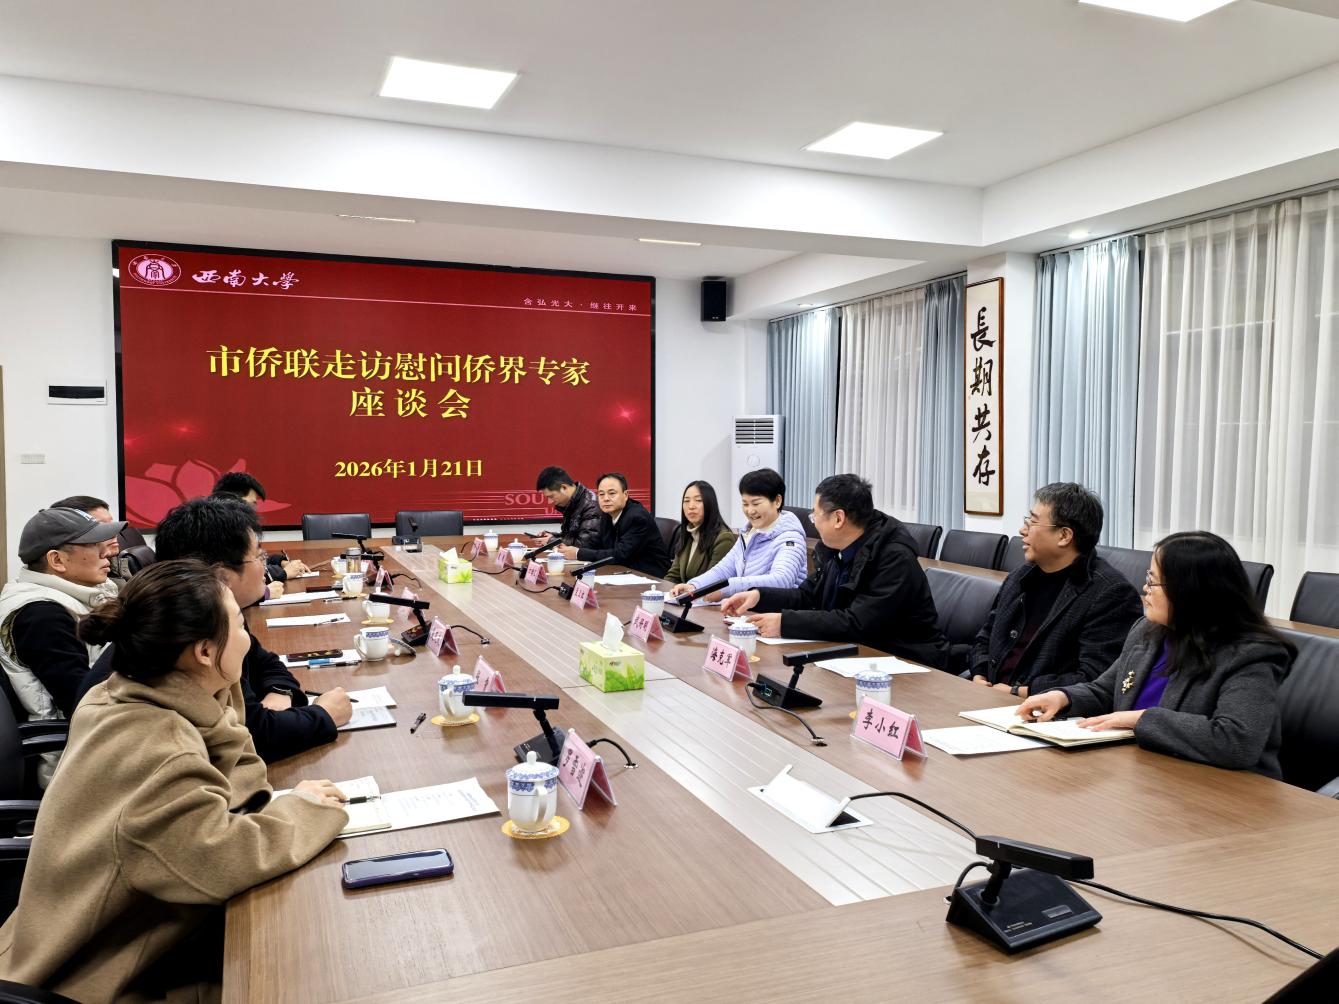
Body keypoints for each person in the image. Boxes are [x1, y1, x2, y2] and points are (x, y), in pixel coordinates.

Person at [0, 559, 349, 1002]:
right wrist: (304, 809)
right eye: (239, 625)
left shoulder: (139, 691)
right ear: (203, 652)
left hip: (133, 930)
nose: (247, 638)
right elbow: (223, 859)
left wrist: (223, 689)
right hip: (103, 975)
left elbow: (240, 787)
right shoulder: (157, 746)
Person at [81, 496, 352, 759]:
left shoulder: (210, 616)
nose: (265, 568)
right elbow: (253, 738)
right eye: (259, 557)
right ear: (221, 576)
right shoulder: (186, 642)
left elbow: (266, 663)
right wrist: (324, 715)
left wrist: (280, 692)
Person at [1017, 531, 1295, 777]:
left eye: (1154, 581)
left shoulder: (1250, 654)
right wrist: (1063, 698)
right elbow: (1107, 691)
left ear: (1190, 592)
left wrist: (1141, 719)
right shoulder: (1148, 631)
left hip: (1223, 791)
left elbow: (1236, 741)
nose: (1145, 589)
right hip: (1147, 772)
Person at [721, 474, 948, 668]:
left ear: (838, 518)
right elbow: (807, 596)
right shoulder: (838, 549)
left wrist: (784, 623)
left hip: (907, 661)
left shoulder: (893, 558)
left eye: (815, 515)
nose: (813, 523)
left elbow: (857, 623)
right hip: (856, 654)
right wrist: (758, 596)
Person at [966, 483, 1143, 698]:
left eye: (1032, 522)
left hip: (1044, 709)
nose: (1023, 530)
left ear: (1064, 535)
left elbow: (1096, 678)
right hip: (987, 695)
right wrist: (979, 674)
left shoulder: (1111, 594)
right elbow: (985, 637)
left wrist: (1020, 692)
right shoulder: (1021, 576)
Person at [0, 508, 123, 726]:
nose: (107, 552)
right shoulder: (42, 616)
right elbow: (82, 701)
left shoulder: (73, 596)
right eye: (94, 545)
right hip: (74, 739)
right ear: (57, 560)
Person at [669, 469, 805, 598]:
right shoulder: (748, 533)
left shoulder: (790, 538)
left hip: (776, 612)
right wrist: (694, 586)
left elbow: (781, 581)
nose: (750, 511)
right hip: (748, 609)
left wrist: (726, 588)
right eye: (745, 504)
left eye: (756, 503)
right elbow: (723, 569)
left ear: (777, 501)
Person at [558, 472, 671, 578]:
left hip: (651, 577)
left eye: (612, 493)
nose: (606, 499)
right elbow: (598, 545)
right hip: (623, 572)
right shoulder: (607, 513)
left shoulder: (637, 517)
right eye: (601, 494)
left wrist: (578, 553)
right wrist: (566, 548)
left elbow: (620, 554)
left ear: (625, 495)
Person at [211, 472, 310, 583]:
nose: (254, 510)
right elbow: (240, 575)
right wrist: (283, 573)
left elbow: (252, 559)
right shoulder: (219, 530)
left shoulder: (228, 523)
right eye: (252, 504)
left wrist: (279, 562)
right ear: (233, 501)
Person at [664, 480, 737, 584]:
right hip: (686, 593)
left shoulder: (723, 539)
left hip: (705, 594)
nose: (691, 506)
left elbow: (713, 582)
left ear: (710, 504)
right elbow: (673, 575)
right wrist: (661, 591)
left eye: (698, 500)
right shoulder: (688, 534)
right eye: (686, 501)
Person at [532, 466, 602, 549]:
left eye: (551, 496)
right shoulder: (573, 503)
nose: (550, 501)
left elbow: (586, 543)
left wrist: (551, 541)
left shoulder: (591, 505)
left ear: (564, 488)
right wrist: (552, 536)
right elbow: (570, 536)